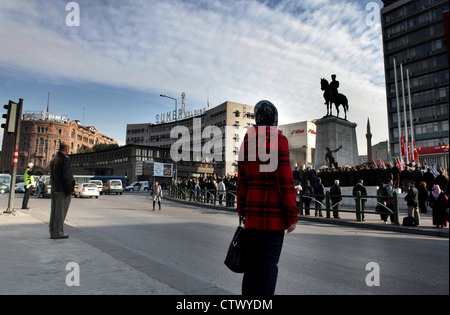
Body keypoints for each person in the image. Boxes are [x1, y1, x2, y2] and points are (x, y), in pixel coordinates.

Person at [237, 100, 298, 296]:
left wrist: (242, 210)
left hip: (253, 217)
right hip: (274, 218)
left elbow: (241, 182)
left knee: (252, 267)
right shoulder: (280, 141)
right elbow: (286, 181)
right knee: (268, 266)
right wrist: (291, 215)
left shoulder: (246, 142)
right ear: (274, 118)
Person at [49, 142, 74, 239]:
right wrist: (68, 191)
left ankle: (53, 231)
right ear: (67, 149)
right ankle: (58, 233)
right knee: (60, 213)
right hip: (62, 190)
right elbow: (67, 177)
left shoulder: (54, 160)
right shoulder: (65, 160)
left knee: (54, 212)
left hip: (55, 189)